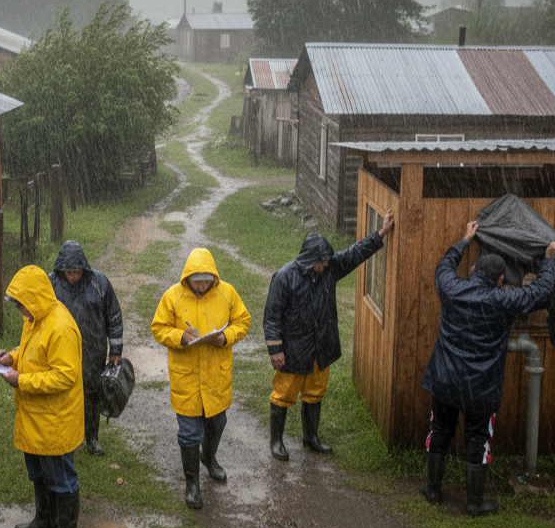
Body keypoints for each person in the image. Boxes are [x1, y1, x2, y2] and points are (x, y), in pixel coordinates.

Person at [420, 221, 555, 516]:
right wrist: (549, 261)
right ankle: (474, 503)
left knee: (440, 431)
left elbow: (443, 267)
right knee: (477, 441)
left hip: (444, 379)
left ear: (472, 272)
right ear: (500, 280)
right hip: (479, 388)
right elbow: (540, 292)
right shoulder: (504, 300)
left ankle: (432, 490)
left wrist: (465, 240)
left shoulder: (452, 288)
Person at [263, 215, 394, 461]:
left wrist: (381, 234)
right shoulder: (283, 277)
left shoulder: (330, 269)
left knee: (315, 393)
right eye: (322, 262)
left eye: (326, 261)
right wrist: (275, 350)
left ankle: (311, 438)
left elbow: (354, 254)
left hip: (320, 349)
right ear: (311, 259)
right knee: (283, 394)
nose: (326, 265)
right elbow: (271, 317)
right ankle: (276, 441)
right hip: (293, 351)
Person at [0, 265, 85, 528]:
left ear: (33, 298)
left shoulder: (60, 326)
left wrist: (22, 380)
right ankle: (44, 520)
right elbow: (34, 351)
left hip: (55, 421)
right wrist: (12, 357)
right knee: (39, 474)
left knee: (61, 477)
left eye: (21, 304)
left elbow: (65, 375)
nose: (20, 310)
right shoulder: (34, 318)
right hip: (35, 418)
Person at [151, 248, 251, 510]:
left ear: (214, 277)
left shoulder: (227, 293)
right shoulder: (172, 297)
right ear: (188, 278)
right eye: (198, 281)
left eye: (207, 280)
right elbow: (158, 328)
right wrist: (180, 337)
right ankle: (192, 484)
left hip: (216, 377)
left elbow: (243, 321)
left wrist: (226, 337)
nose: (202, 285)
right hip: (187, 380)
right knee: (189, 433)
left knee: (218, 423)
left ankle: (209, 458)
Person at [48, 240, 124, 456]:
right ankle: (66, 438)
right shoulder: (50, 284)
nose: (73, 276)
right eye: (69, 272)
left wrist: (115, 350)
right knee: (63, 394)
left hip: (93, 351)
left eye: (77, 271)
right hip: (61, 351)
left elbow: (114, 316)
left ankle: (92, 437)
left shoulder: (98, 282)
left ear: (84, 267)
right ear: (62, 269)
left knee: (91, 395)